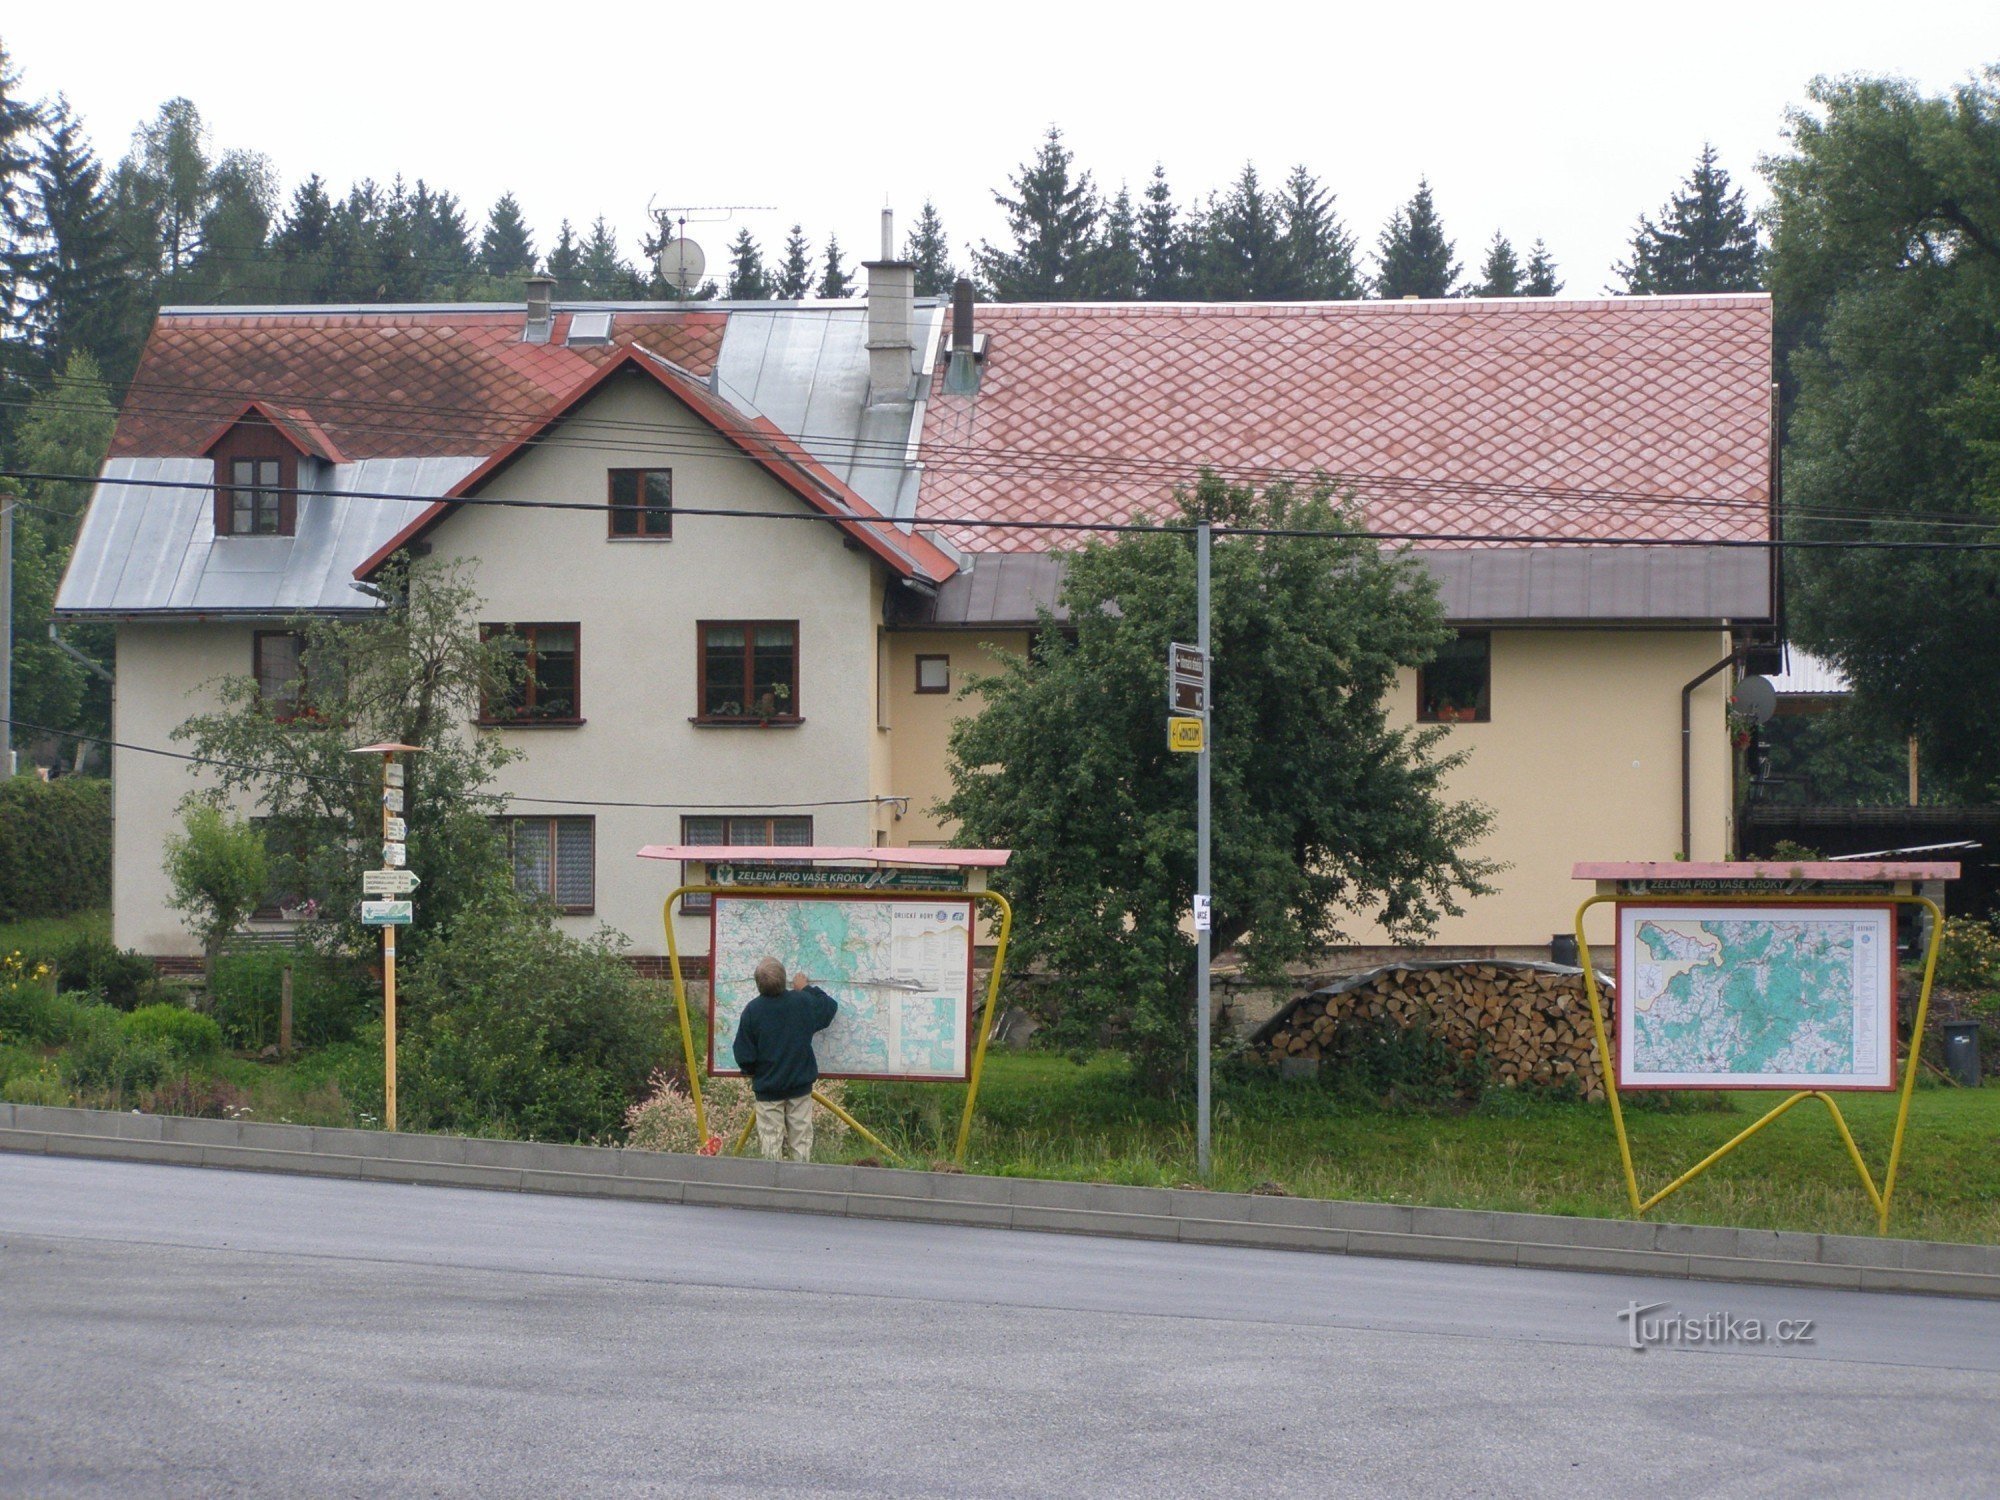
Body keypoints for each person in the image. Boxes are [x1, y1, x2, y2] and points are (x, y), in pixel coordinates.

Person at [732, 957, 838, 1162]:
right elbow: (828, 1007)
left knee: (770, 1142)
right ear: (785, 979)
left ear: (758, 984)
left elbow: (744, 1054)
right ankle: (800, 1183)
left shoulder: (753, 1010)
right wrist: (806, 988)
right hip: (799, 1087)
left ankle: (774, 1186)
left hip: (768, 1089)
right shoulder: (802, 1002)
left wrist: (753, 1070)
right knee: (801, 1139)